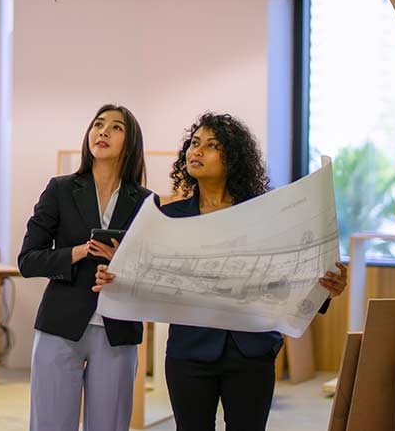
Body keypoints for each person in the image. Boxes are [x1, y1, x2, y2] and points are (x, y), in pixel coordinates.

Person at [93, 112, 348, 431]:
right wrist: (115, 277)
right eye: (194, 143)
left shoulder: (265, 215)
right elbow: (145, 276)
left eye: (211, 145)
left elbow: (288, 276)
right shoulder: (169, 217)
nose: (197, 151)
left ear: (234, 158)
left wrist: (326, 288)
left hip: (251, 350)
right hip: (189, 352)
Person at [18, 104, 154, 431]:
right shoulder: (60, 189)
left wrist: (123, 264)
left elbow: (154, 271)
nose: (103, 131)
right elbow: (28, 260)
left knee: (110, 425)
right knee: (50, 424)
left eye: (116, 127)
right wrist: (79, 252)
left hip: (118, 328)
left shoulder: (147, 202)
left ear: (131, 142)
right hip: (60, 324)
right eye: (98, 124)